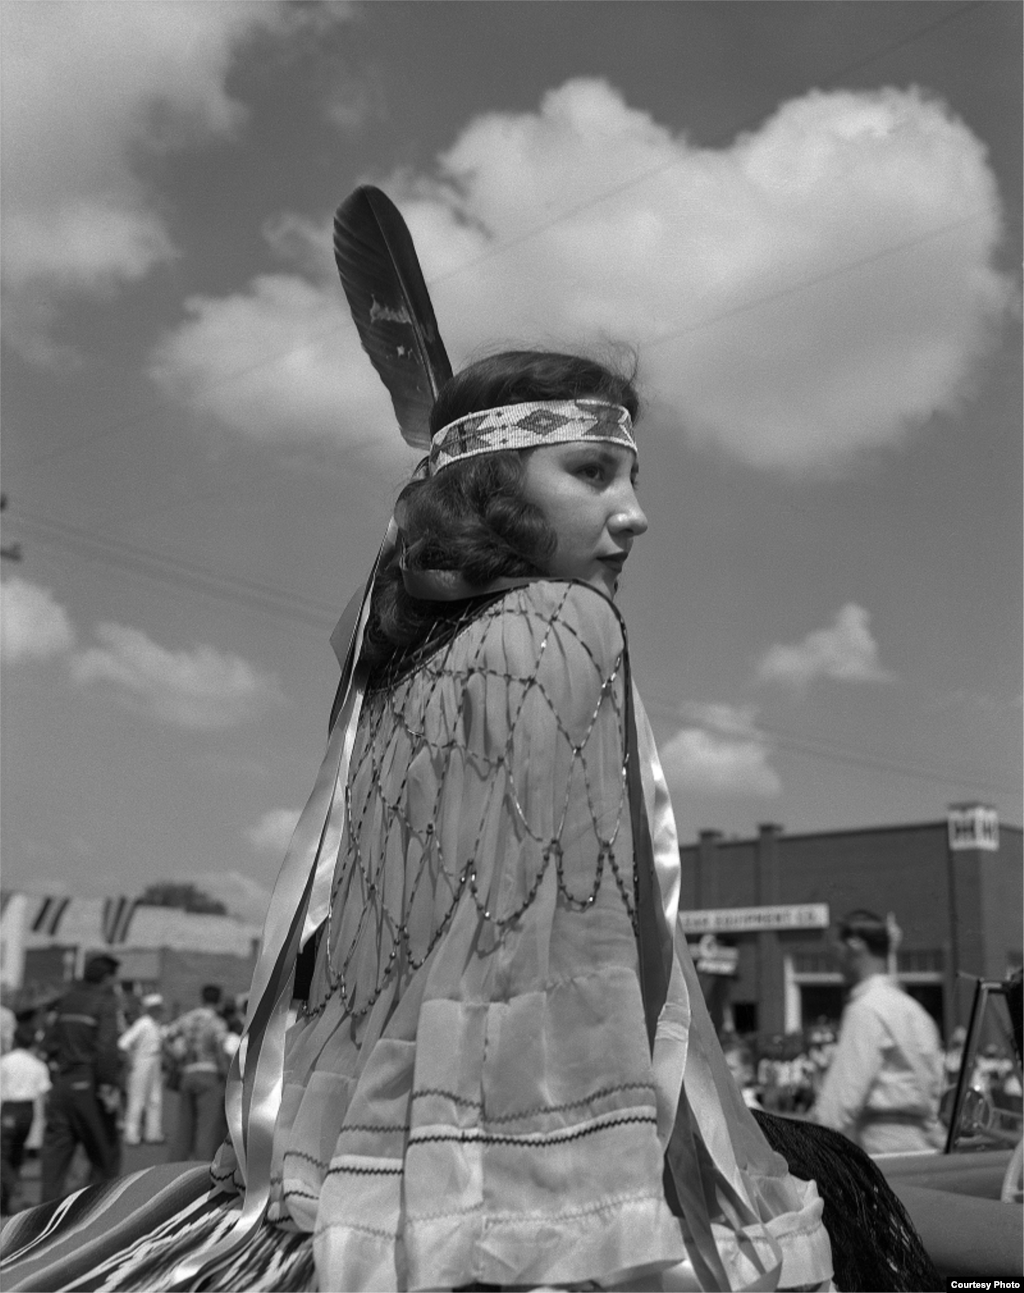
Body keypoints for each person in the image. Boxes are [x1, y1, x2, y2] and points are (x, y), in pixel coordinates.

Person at [812, 910, 944, 1155]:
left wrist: (807, 1149)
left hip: (884, 1147)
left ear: (855, 945)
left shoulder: (866, 1008)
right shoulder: (915, 1010)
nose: (837, 960)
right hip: (926, 1144)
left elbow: (839, 1103)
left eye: (838, 949)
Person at [39, 952, 123, 1200]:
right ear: (107, 978)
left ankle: (44, 1217)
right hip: (87, 1085)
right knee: (105, 1153)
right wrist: (108, 1084)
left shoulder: (67, 1000)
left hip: (61, 1086)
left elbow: (48, 1045)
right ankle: (98, 1213)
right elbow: (106, 1048)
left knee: (55, 1157)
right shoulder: (105, 1002)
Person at [164, 984, 229, 1163]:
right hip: (209, 1073)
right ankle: (202, 1167)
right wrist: (226, 1072)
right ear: (219, 1000)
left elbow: (167, 1036)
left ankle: (176, 1165)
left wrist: (176, 1058)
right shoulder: (217, 1022)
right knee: (207, 1127)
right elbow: (220, 1049)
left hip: (187, 1073)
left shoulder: (186, 1018)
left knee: (184, 1124)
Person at [0, 1023, 51, 1215]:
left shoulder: (5, 1062)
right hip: (28, 1111)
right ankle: (5, 1204)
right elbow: (45, 1092)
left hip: (10, 1110)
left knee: (2, 1155)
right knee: (15, 1155)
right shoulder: (38, 1064)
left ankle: (13, 1185)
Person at [117, 992, 165, 1145]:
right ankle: (131, 1134)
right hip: (142, 1060)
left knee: (154, 1097)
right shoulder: (143, 1023)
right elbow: (124, 1043)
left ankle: (153, 1132)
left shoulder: (155, 1024)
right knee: (137, 1098)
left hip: (155, 1060)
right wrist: (131, 1060)